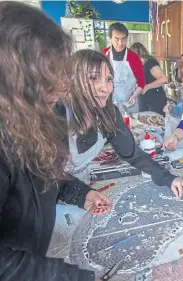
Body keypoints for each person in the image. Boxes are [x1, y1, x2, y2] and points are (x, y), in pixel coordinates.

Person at [0, 2, 106, 280]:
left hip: (34, 256)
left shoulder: (42, 112)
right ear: (14, 76)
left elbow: (43, 175)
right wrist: (75, 277)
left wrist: (81, 194)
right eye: (48, 73)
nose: (61, 86)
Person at [58, 49, 183, 199]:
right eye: (94, 78)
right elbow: (45, 177)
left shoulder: (109, 114)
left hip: (83, 189)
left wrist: (168, 178)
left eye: (108, 79)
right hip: (50, 198)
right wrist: (82, 195)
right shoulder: (57, 116)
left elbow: (133, 154)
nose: (105, 88)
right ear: (74, 81)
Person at [101, 22, 145, 113]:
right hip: (109, 104)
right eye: (117, 39)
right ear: (110, 38)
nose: (121, 43)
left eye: (124, 39)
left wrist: (134, 96)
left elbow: (141, 83)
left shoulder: (134, 57)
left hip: (130, 104)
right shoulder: (103, 55)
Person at [130, 42, 168, 116]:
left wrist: (147, 87)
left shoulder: (150, 62)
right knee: (143, 122)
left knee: (156, 124)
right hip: (143, 99)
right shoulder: (138, 65)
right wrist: (134, 96)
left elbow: (164, 79)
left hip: (155, 99)